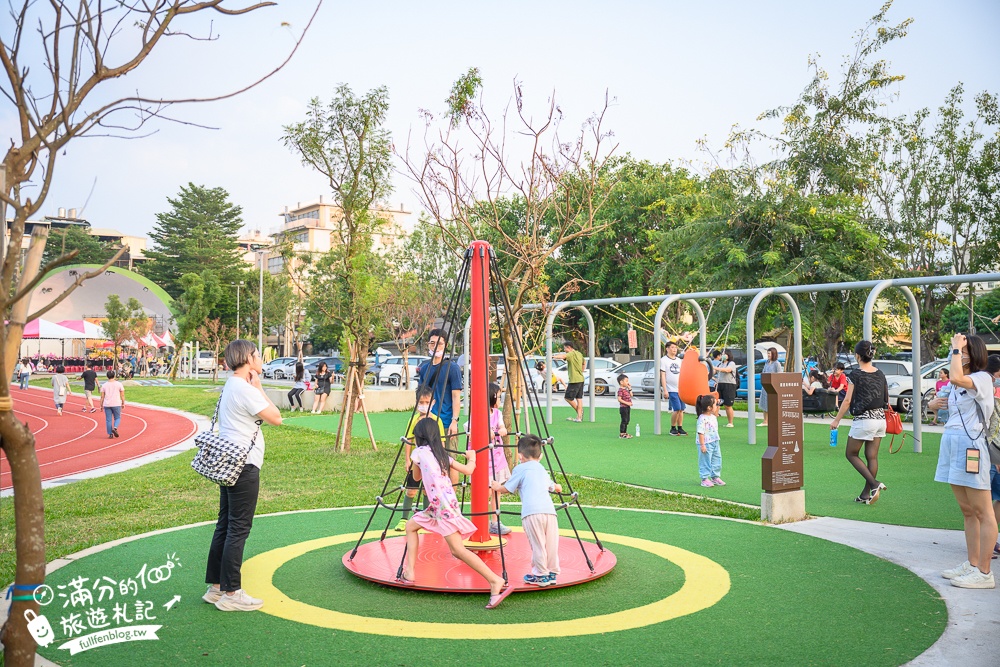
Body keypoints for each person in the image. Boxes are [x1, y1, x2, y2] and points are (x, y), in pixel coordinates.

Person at [204, 340, 283, 611]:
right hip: (244, 465)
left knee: (225, 524)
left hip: (228, 462)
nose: (260, 359)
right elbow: (276, 417)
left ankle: (216, 587)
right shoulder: (245, 388)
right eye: (258, 355)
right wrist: (259, 387)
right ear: (248, 358)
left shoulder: (231, 384)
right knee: (238, 528)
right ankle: (231, 593)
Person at [402, 418, 510, 609]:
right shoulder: (443, 455)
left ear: (419, 438)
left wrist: (415, 466)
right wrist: (472, 457)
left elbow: (417, 478)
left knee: (457, 550)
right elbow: (469, 470)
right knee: (411, 526)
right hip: (442, 506)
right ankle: (409, 572)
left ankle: (494, 580)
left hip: (441, 509)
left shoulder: (418, 453)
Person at [927, 334, 996, 589]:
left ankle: (985, 572)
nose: (954, 354)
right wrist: (933, 406)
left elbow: (956, 376)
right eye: (955, 351)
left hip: (972, 446)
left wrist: (957, 348)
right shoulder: (957, 385)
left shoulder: (982, 379)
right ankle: (972, 563)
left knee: (983, 511)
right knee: (967, 510)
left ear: (971, 354)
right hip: (953, 443)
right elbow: (946, 407)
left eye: (959, 351)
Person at [491, 434, 563, 587]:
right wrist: (557, 487)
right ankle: (552, 572)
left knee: (537, 544)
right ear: (541, 455)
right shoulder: (542, 469)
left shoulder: (520, 468)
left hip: (532, 513)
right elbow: (553, 486)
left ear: (520, 456)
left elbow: (508, 488)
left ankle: (541, 575)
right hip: (550, 512)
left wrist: (497, 487)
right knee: (551, 543)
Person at [830, 340, 889, 505]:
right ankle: (865, 494)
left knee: (851, 454)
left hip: (864, 420)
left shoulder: (854, 375)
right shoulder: (880, 373)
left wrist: (836, 420)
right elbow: (886, 398)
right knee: (872, 457)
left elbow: (847, 400)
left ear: (857, 355)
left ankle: (874, 484)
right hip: (880, 420)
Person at [394, 386, 445, 532]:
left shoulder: (437, 420)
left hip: (432, 462)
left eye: (427, 402)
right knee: (411, 490)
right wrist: (407, 460)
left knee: (427, 490)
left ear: (433, 402)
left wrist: (441, 461)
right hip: (417, 460)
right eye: (421, 402)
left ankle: (427, 518)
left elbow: (441, 442)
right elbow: (409, 440)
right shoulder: (414, 420)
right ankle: (404, 519)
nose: (423, 405)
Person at [417, 328, 463, 442]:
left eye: (439, 343)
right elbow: (420, 395)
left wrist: (454, 421)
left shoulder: (452, 368)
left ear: (445, 345)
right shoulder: (424, 369)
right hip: (427, 422)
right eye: (432, 343)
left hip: (446, 422)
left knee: (449, 458)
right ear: (428, 345)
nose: (435, 346)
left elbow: (456, 396)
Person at [485, 382, 512, 535]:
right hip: (485, 459)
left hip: (497, 457)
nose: (500, 400)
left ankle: (495, 521)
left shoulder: (497, 413)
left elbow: (502, 427)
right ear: (492, 397)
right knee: (486, 491)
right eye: (499, 397)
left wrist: (502, 430)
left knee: (497, 490)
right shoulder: (479, 413)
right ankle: (482, 520)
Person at [695, 394, 724, 488]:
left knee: (717, 459)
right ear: (709, 407)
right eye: (715, 404)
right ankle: (704, 479)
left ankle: (715, 476)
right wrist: (702, 445)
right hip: (706, 443)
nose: (717, 406)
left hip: (715, 441)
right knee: (705, 460)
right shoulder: (702, 419)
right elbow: (700, 432)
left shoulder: (713, 416)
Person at [553, 340, 584, 422]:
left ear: (569, 348)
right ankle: (579, 417)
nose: (564, 350)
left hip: (574, 380)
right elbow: (584, 362)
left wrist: (553, 356)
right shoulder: (579, 354)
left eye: (565, 349)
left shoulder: (571, 354)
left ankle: (579, 413)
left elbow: (563, 356)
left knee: (568, 398)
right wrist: (581, 370)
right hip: (581, 378)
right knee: (579, 398)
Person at [660, 341, 686, 436]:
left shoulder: (679, 360)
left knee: (681, 409)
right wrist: (665, 389)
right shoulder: (663, 360)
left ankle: (680, 427)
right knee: (677, 408)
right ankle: (672, 428)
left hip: (680, 389)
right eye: (672, 347)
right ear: (667, 348)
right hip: (671, 389)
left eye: (675, 347)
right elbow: (663, 375)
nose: (674, 349)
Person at [712, 350, 738, 428]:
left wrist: (716, 368)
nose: (722, 356)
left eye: (724, 354)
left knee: (728, 405)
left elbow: (727, 370)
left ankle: (730, 422)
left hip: (729, 385)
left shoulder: (731, 363)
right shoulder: (720, 364)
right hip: (720, 384)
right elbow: (713, 372)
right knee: (716, 403)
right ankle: (713, 421)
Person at [759, 348, 783, 427]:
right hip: (765, 386)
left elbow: (779, 375)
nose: (768, 355)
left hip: (773, 387)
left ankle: (772, 420)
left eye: (769, 353)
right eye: (768, 353)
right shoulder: (767, 363)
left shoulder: (777, 363)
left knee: (771, 404)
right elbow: (764, 372)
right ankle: (765, 420)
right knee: (764, 403)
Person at [99, 370, 125, 439]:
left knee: (108, 420)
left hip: (107, 404)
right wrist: (123, 403)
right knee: (117, 417)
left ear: (107, 376)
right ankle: (115, 427)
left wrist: (101, 405)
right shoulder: (119, 384)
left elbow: (102, 396)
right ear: (114, 376)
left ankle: (110, 434)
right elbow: (122, 395)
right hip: (116, 403)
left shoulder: (104, 385)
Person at [617, 373, 633, 439]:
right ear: (621, 382)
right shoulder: (620, 390)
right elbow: (619, 399)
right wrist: (627, 403)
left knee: (627, 420)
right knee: (624, 420)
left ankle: (625, 432)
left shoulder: (626, 390)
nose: (627, 382)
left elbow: (631, 395)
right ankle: (622, 433)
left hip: (627, 407)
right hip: (623, 408)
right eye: (626, 381)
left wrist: (630, 389)